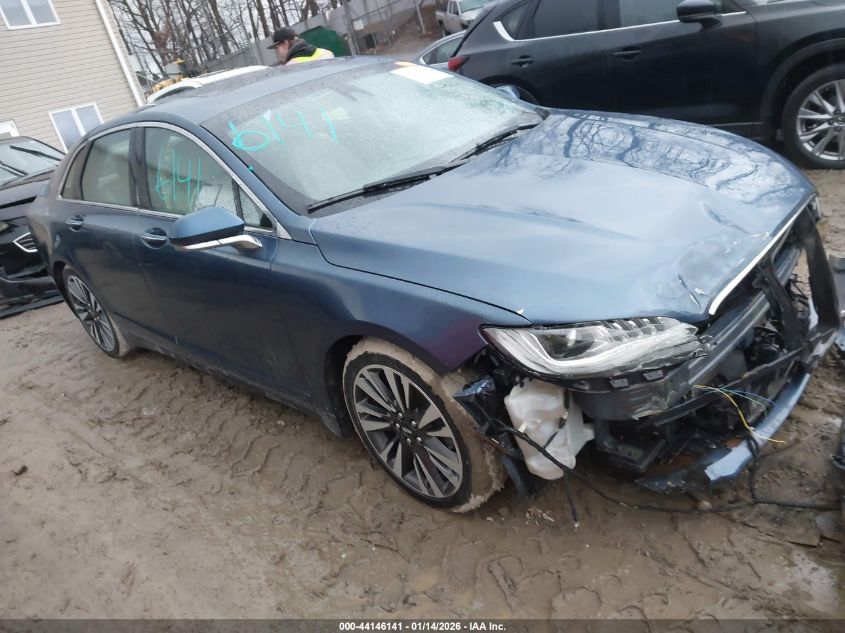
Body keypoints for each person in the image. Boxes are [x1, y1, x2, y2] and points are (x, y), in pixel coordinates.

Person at [267, 27, 335, 65]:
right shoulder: (326, 53)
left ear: (285, 43)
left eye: (277, 48)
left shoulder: (291, 67)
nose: (277, 52)